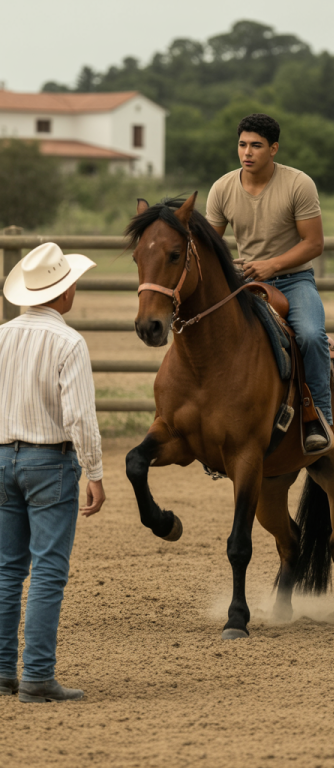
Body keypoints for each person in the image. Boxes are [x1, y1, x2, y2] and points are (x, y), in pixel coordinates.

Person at [0, 243, 106, 703]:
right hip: (50, 461)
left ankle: (3, 671)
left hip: (2, 457)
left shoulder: (1, 335)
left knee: (6, 571)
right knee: (47, 570)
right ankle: (38, 676)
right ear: (64, 294)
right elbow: (80, 417)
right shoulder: (69, 342)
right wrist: (95, 472)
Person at [206, 113, 332, 452]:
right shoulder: (222, 188)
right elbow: (210, 247)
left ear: (273, 149)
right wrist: (228, 267)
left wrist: (270, 265)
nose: (247, 152)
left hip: (294, 281)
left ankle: (318, 419)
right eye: (242, 145)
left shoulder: (298, 184)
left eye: (256, 146)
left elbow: (314, 244)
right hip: (245, 281)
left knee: (309, 334)